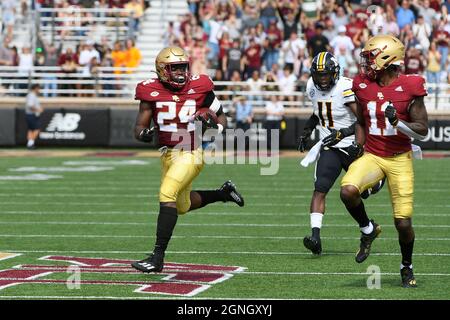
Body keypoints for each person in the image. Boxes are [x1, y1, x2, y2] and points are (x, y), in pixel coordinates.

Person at [131, 46, 245, 273]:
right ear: (162, 70)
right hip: (168, 154)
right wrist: (144, 135)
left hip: (191, 151)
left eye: (183, 67)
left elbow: (223, 119)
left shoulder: (201, 86)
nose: (181, 73)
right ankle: (223, 193)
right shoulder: (149, 90)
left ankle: (157, 257)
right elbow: (139, 127)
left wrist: (213, 129)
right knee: (181, 205)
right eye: (175, 68)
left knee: (166, 194)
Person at [339, 35, 429, 288]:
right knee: (347, 191)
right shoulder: (362, 85)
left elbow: (422, 130)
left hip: (400, 158)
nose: (366, 63)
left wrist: (398, 123)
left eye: (370, 57)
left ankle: (406, 266)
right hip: (373, 155)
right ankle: (367, 230)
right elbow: (360, 122)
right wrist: (358, 145)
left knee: (403, 223)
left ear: (386, 57)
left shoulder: (411, 85)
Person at [298, 52, 384, 256]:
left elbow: (364, 119)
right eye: (319, 75)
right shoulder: (311, 86)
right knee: (320, 188)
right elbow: (319, 110)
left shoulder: (345, 87)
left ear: (335, 73)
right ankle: (315, 237)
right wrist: (308, 129)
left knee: (359, 192)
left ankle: (375, 185)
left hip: (353, 145)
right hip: (331, 146)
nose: (323, 79)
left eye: (326, 75)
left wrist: (346, 134)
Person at [25, 84, 43, 150]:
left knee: (31, 130)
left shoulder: (32, 95)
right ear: (35, 88)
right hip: (32, 115)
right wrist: (38, 109)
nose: (39, 90)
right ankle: (31, 143)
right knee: (36, 129)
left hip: (31, 115)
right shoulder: (32, 95)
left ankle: (30, 144)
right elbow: (30, 105)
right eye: (38, 88)